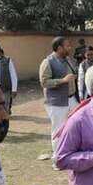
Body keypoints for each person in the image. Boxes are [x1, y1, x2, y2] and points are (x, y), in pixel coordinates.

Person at [39, 37, 79, 166]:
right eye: (67, 46)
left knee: (76, 125)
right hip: (57, 103)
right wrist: (62, 81)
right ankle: (57, 160)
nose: (70, 48)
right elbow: (44, 82)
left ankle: (71, 153)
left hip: (72, 99)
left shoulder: (68, 60)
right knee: (58, 130)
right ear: (59, 48)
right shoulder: (48, 62)